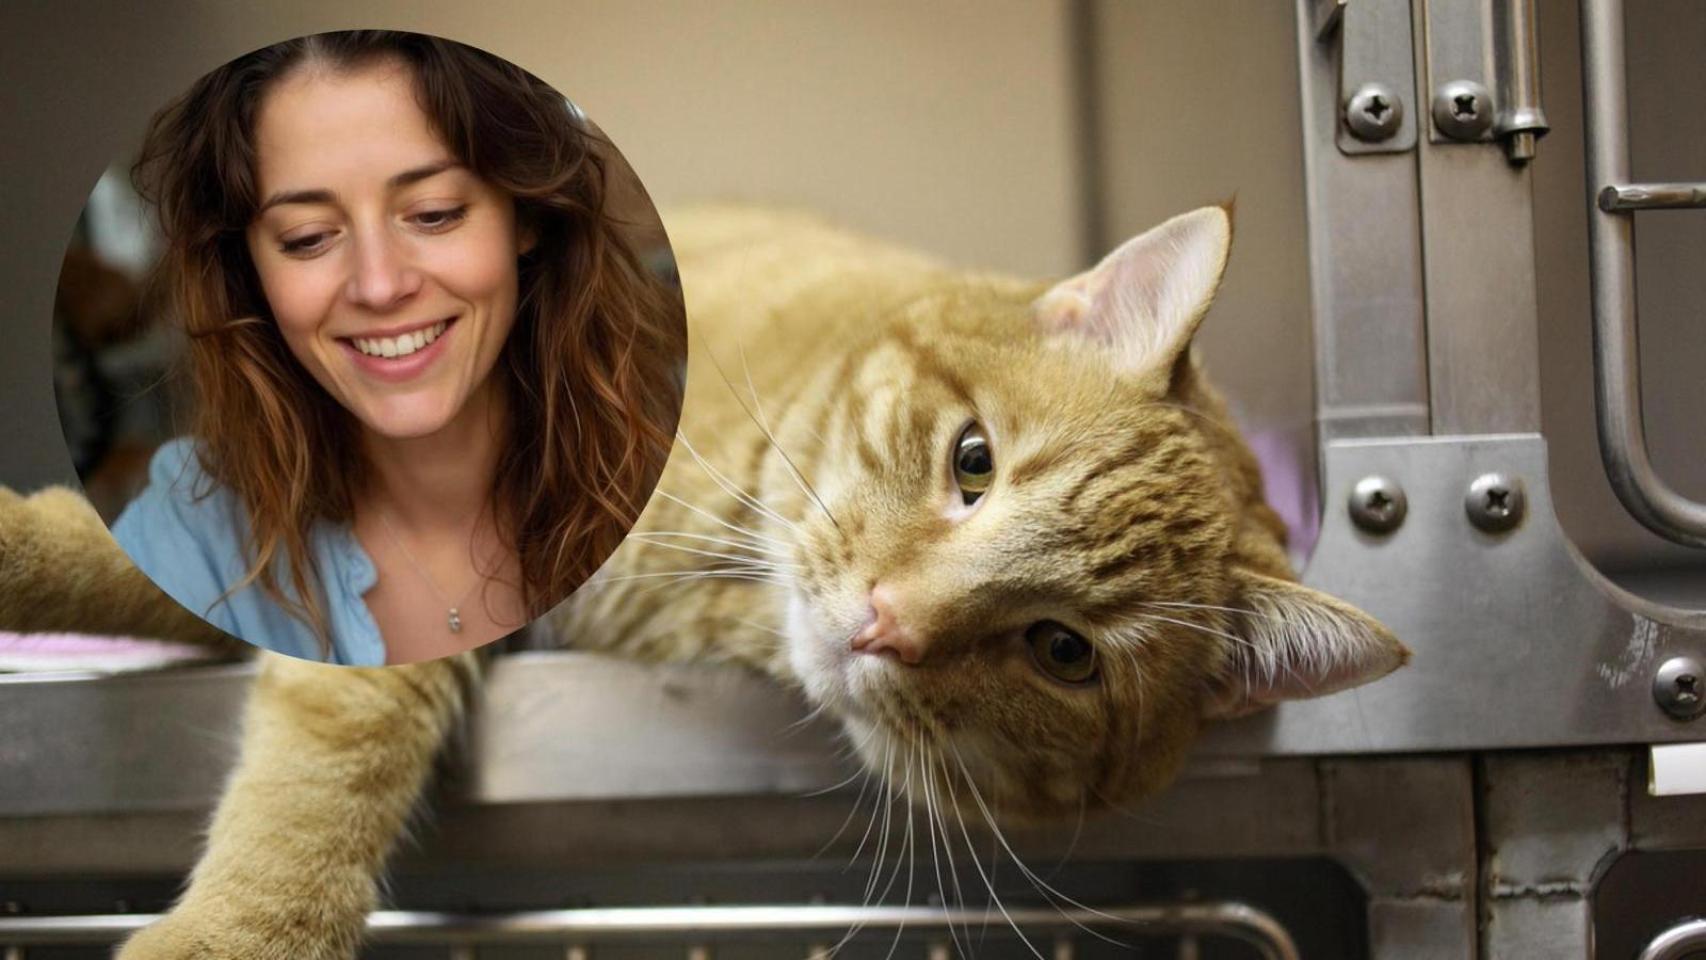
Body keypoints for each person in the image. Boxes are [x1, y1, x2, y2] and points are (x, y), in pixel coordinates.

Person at [110, 31, 684, 666]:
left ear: (524, 218)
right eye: (307, 238)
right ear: (250, 272)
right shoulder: (190, 536)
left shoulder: (690, 475)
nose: (380, 286)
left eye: (434, 214)